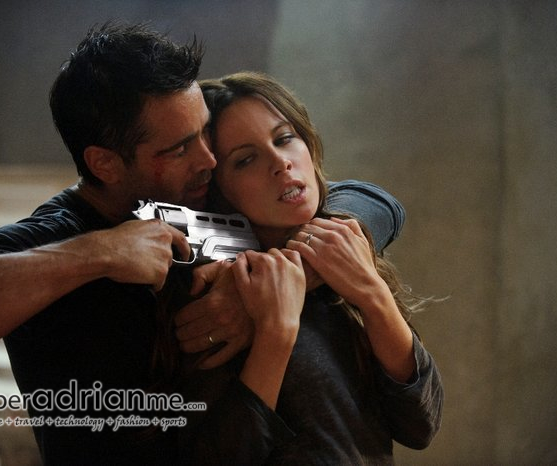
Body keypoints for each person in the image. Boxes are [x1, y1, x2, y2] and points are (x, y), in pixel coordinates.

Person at [0, 24, 406, 465]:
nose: (209, 159)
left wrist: (288, 275)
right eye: (181, 147)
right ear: (104, 163)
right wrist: (99, 254)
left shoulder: (195, 202)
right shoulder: (57, 233)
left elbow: (371, 200)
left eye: (204, 133)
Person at [154, 72, 442, 464]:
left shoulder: (342, 254)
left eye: (284, 138)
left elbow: (421, 424)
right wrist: (274, 330)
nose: (280, 163)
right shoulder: (211, 289)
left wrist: (371, 294)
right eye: (246, 160)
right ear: (218, 188)